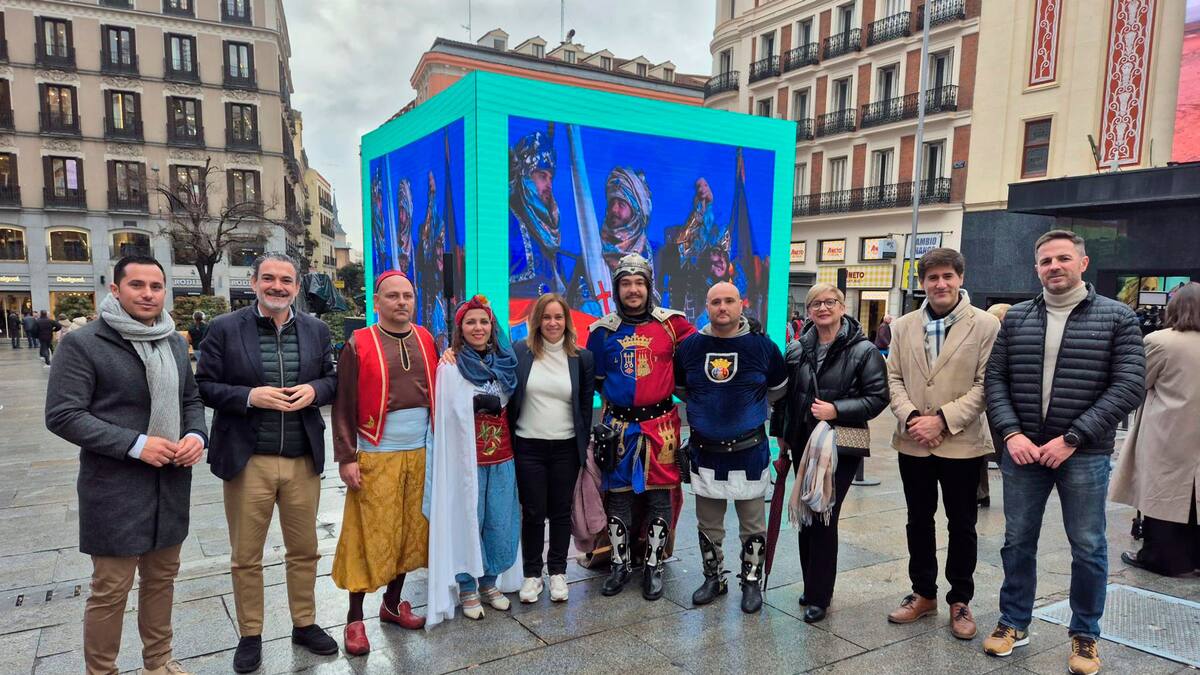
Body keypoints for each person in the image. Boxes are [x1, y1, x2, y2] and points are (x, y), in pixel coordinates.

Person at [982, 230, 1145, 675]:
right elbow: (994, 381)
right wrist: (1011, 434)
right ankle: (1014, 621)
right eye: (1046, 260)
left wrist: (1072, 438)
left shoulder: (1117, 317)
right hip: (1023, 452)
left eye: (1063, 258)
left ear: (1083, 264)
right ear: (1036, 268)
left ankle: (1085, 635)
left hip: (1084, 453)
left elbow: (1129, 385)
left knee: (1088, 545)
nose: (1054, 266)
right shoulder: (1016, 318)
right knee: (1017, 541)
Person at [45, 255, 207, 675]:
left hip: (170, 483)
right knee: (110, 589)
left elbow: (190, 398)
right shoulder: (84, 343)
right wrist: (135, 444)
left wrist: (195, 435)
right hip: (114, 487)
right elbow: (63, 413)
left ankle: (159, 660)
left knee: (162, 580)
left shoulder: (173, 340)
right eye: (137, 285)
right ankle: (102, 670)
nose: (148, 294)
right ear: (115, 290)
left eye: (156, 286)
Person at [195, 253, 339, 673]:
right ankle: (251, 633)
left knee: (304, 550)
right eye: (269, 279)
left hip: (301, 458)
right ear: (254, 281)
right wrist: (248, 396)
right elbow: (203, 385)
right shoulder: (224, 328)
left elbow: (332, 378)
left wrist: (315, 390)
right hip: (248, 458)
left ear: (297, 286)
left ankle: (305, 623)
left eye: (286, 280)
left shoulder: (315, 329)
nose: (278, 286)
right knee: (246, 555)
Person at [883, 248, 1000, 640]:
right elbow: (893, 378)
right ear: (922, 283)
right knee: (918, 520)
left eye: (947, 276)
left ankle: (960, 599)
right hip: (913, 441)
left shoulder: (984, 326)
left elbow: (987, 385)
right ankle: (923, 593)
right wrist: (914, 419)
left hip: (962, 444)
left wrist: (943, 421)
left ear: (960, 278)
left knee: (962, 524)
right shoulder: (903, 326)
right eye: (932, 278)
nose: (940, 284)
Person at [331, 271, 439, 655]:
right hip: (376, 452)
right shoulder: (358, 343)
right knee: (367, 534)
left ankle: (393, 604)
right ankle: (354, 619)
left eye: (407, 295)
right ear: (376, 302)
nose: (401, 302)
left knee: (410, 531)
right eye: (392, 296)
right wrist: (346, 457)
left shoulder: (427, 339)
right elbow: (342, 404)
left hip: (421, 451)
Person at [770, 282, 888, 623]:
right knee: (807, 516)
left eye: (830, 302)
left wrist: (836, 409)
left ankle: (820, 595)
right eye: (816, 304)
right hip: (802, 444)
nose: (823, 308)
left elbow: (879, 398)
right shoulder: (796, 349)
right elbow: (783, 400)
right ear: (808, 311)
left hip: (841, 445)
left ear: (842, 306)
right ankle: (812, 585)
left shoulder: (863, 350)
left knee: (824, 515)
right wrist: (781, 436)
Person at [587, 253, 695, 600]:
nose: (632, 290)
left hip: (661, 426)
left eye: (639, 282)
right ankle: (620, 564)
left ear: (649, 286)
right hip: (618, 428)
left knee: (660, 498)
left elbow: (704, 352)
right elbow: (596, 380)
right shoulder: (601, 331)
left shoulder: (673, 325)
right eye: (625, 283)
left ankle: (653, 565)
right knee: (617, 499)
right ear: (617, 288)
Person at [677, 281, 786, 613]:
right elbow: (683, 389)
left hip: (749, 452)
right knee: (708, 523)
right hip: (706, 450)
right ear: (706, 307)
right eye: (715, 302)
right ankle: (714, 578)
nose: (721, 307)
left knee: (753, 524)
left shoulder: (763, 348)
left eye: (728, 301)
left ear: (742, 305)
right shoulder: (689, 347)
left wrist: (742, 411)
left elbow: (777, 391)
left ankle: (750, 582)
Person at [426, 295, 522, 627]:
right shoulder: (450, 365)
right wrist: (475, 404)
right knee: (468, 521)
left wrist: (493, 402)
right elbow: (447, 413)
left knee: (499, 521)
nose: (478, 328)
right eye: (471, 322)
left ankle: (490, 582)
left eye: (484, 322)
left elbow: (511, 397)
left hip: (502, 457)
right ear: (461, 328)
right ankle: (467, 586)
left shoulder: (505, 362)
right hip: (467, 462)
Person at [1111, 282, 1200, 576]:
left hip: (1168, 430)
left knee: (1161, 494)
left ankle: (1161, 557)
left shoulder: (1161, 341)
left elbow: (1141, 381)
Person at [510, 293, 594, 603]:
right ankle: (532, 575)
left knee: (560, 513)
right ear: (536, 321)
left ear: (567, 321)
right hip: (528, 447)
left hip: (565, 448)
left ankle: (558, 572)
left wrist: (582, 450)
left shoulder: (582, 358)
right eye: (546, 317)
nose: (552, 323)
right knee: (532, 513)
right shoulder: (521, 351)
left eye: (558, 317)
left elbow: (584, 409)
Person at [978, 302, 1012, 508]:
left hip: (999, 408)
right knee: (984, 452)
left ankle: (983, 493)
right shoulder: (992, 338)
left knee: (998, 452)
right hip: (987, 406)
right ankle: (981, 493)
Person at [600, 168, 654, 272]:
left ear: (636, 210)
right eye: (612, 203)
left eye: (621, 204)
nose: (614, 210)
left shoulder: (655, 255)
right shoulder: (592, 250)